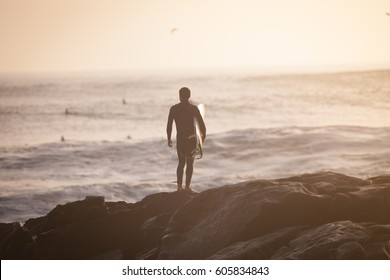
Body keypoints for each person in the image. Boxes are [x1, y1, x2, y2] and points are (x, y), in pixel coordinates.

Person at [166, 87, 206, 191]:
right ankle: (187, 187)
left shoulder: (174, 108)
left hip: (181, 139)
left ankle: (179, 187)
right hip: (191, 139)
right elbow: (202, 126)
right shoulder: (193, 109)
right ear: (189, 96)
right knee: (190, 163)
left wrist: (169, 138)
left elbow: (169, 124)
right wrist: (202, 138)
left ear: (179, 96)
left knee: (181, 163)